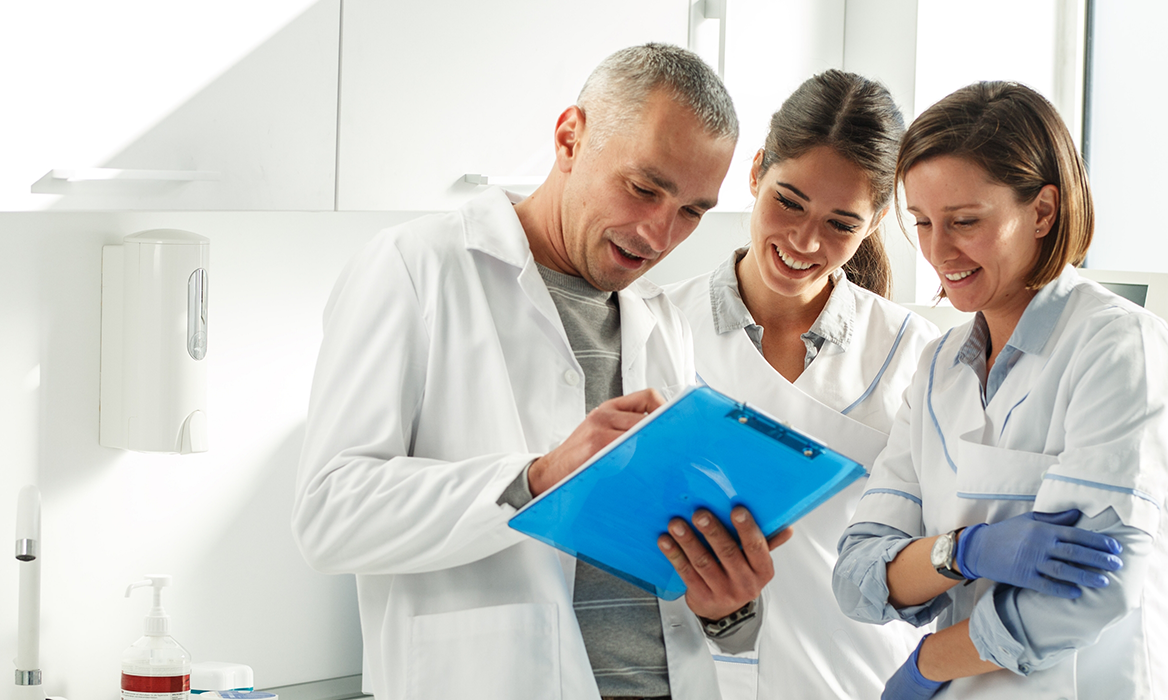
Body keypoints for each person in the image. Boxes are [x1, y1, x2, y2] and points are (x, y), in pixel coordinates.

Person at [293, 44, 790, 700]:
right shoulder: (417, 268)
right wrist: (537, 478)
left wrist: (722, 599)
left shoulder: (661, 323)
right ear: (569, 138)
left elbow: (676, 597)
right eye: (644, 188)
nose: (660, 233)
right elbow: (330, 513)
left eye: (693, 210)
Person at [832, 81, 1168, 699]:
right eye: (923, 223)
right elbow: (858, 576)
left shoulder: (1117, 349)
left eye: (965, 222)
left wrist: (929, 661)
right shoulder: (938, 370)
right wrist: (964, 551)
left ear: (1042, 211)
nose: (938, 251)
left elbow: (1095, 589)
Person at [664, 70, 940, 700]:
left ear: (873, 225)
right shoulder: (655, 324)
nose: (804, 241)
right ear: (756, 171)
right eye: (788, 201)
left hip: (861, 678)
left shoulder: (917, 355)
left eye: (841, 223)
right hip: (697, 675)